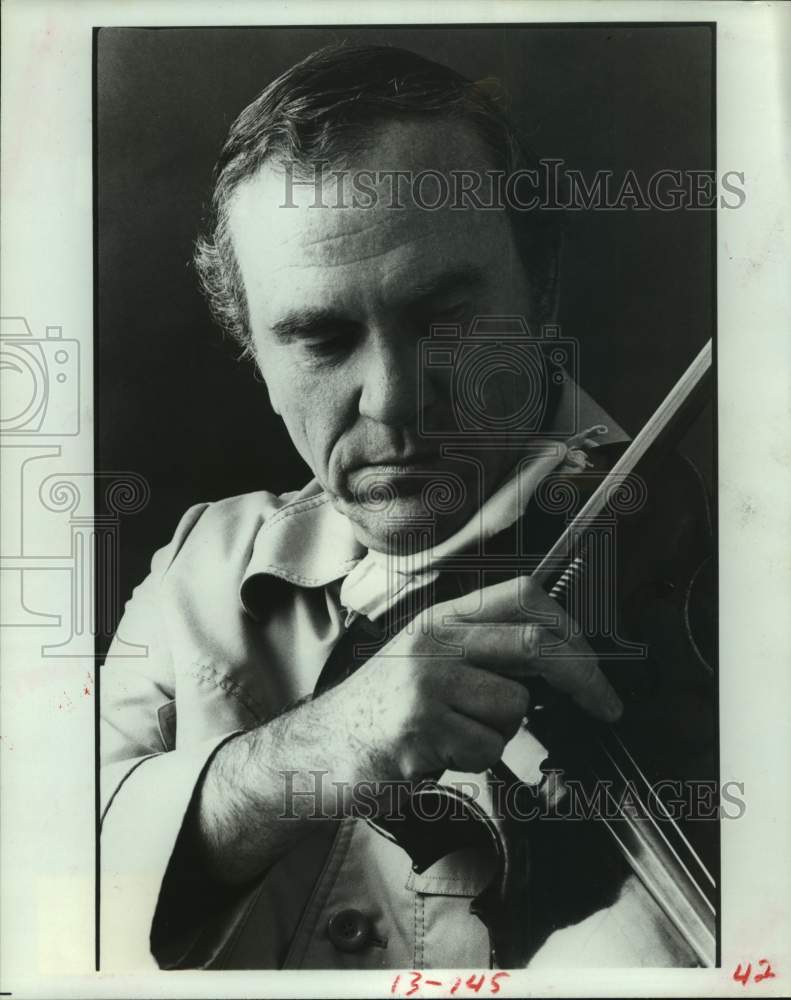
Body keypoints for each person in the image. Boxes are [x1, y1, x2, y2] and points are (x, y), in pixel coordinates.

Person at [100, 43, 715, 970]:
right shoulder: (201, 574)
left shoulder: (718, 566)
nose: (391, 401)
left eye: (444, 318)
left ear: (540, 287)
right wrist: (312, 750)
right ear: (255, 354)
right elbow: (42, 895)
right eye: (320, 337)